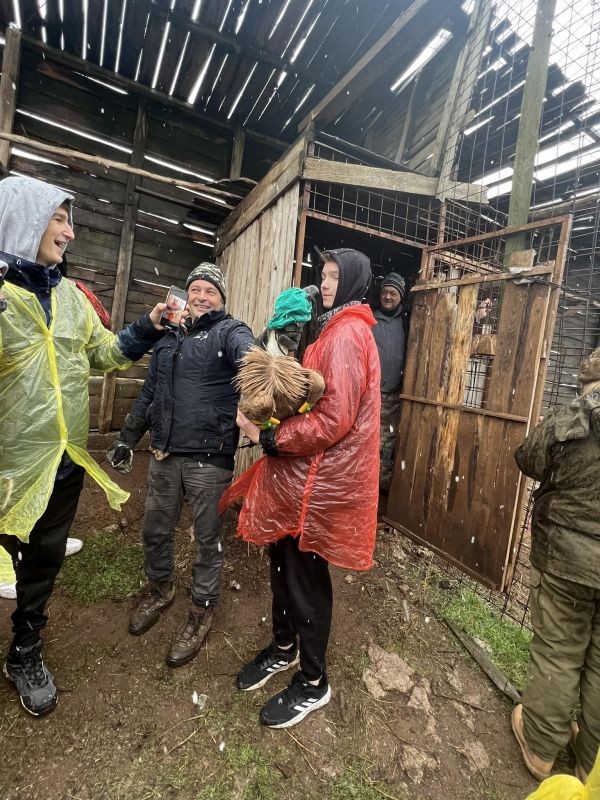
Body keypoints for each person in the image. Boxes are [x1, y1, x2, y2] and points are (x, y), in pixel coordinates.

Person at [0, 175, 168, 716]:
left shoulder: (71, 298)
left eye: (70, 221)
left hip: (64, 462)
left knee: (42, 563)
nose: (70, 232)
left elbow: (108, 353)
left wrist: (149, 326)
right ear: (25, 219)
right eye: (60, 218)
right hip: (8, 467)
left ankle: (25, 651)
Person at [227, 247, 380, 729]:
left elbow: (333, 420)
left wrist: (269, 438)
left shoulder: (347, 334)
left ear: (352, 281)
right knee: (284, 569)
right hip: (300, 482)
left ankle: (314, 682)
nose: (326, 283)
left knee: (305, 581)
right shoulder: (329, 329)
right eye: (324, 274)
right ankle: (284, 647)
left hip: (319, 487)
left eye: (335, 276)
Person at [107, 263, 255, 668]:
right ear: (185, 295)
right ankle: (160, 588)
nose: (201, 297)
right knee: (155, 529)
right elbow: (149, 393)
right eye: (195, 290)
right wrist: (126, 438)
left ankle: (201, 610)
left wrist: (260, 362)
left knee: (207, 539)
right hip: (165, 453)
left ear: (222, 299)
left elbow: (250, 356)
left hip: (210, 457)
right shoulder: (168, 337)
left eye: (210, 291)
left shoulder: (230, 332)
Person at [511, 346, 600, 783]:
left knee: (560, 650)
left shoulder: (575, 417)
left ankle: (542, 746)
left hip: (567, 558)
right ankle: (591, 763)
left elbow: (528, 457)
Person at [372, 272, 408, 492]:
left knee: (389, 439)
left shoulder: (407, 320)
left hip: (394, 394)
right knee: (368, 437)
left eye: (392, 293)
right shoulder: (370, 319)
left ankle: (383, 483)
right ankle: (365, 483)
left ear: (400, 296)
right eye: (384, 292)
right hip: (371, 392)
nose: (387, 297)